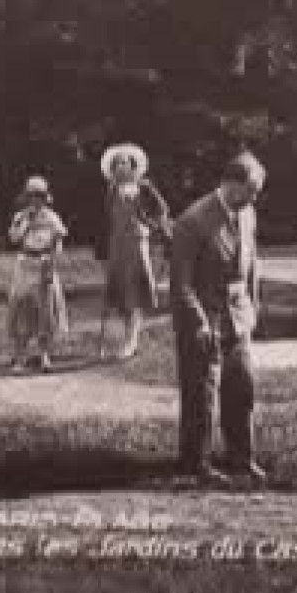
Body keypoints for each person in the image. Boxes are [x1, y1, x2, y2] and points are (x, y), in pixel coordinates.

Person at [168, 150, 267, 486]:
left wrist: (254, 305)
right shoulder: (192, 221)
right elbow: (180, 285)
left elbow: (252, 261)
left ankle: (242, 458)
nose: (256, 197)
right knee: (201, 394)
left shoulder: (248, 213)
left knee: (242, 386)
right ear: (231, 184)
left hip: (238, 317)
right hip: (202, 320)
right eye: (252, 189)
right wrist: (198, 323)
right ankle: (196, 462)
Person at [96, 143, 171, 361]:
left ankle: (132, 341)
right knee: (118, 294)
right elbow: (105, 222)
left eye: (125, 163)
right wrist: (102, 252)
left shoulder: (144, 187)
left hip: (137, 244)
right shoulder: (111, 190)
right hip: (116, 245)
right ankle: (120, 341)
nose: (121, 166)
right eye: (117, 163)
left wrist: (150, 224)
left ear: (132, 166)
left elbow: (162, 210)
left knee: (134, 293)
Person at [6, 175, 70, 373]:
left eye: (39, 196)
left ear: (45, 197)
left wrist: (52, 259)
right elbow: (14, 239)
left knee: (46, 309)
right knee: (21, 304)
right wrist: (26, 221)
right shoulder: (20, 217)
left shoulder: (52, 217)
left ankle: (44, 356)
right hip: (26, 262)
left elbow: (59, 239)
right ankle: (20, 356)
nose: (35, 201)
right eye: (31, 196)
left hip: (45, 262)